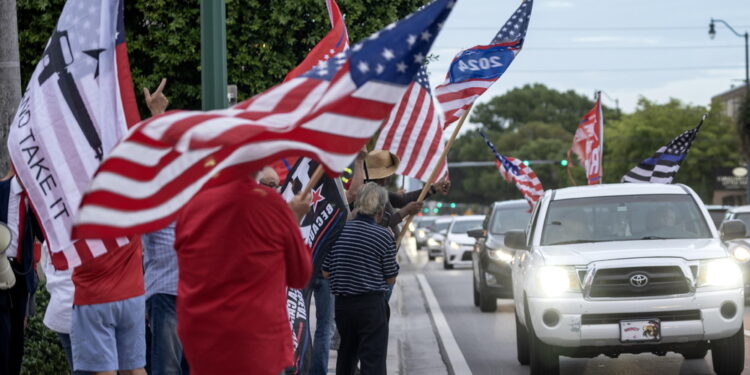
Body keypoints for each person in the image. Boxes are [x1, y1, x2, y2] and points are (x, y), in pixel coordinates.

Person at [173, 175, 312, 375]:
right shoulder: (270, 204)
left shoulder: (194, 205)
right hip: (258, 345)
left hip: (206, 342)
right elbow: (299, 275)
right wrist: (293, 220)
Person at [322, 183, 399, 375]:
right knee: (373, 358)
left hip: (343, 306)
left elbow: (326, 272)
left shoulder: (337, 232)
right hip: (371, 306)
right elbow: (391, 278)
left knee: (346, 354)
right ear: (380, 210)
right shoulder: (383, 236)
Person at [141, 78, 189, 375]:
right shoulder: (158, 192)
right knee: (169, 366)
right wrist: (157, 117)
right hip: (168, 292)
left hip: (189, 292)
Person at [70, 237, 146, 375]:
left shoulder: (75, 218)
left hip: (94, 297)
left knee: (104, 369)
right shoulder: (133, 214)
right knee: (134, 367)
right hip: (132, 293)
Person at [0, 173, 45, 375]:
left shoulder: (35, 197)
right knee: (3, 334)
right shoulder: (2, 190)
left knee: (17, 338)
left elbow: (43, 234)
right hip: (2, 269)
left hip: (22, 273)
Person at [41, 243, 92, 375]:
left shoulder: (52, 233)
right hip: (88, 309)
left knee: (79, 368)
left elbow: (45, 267)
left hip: (61, 307)